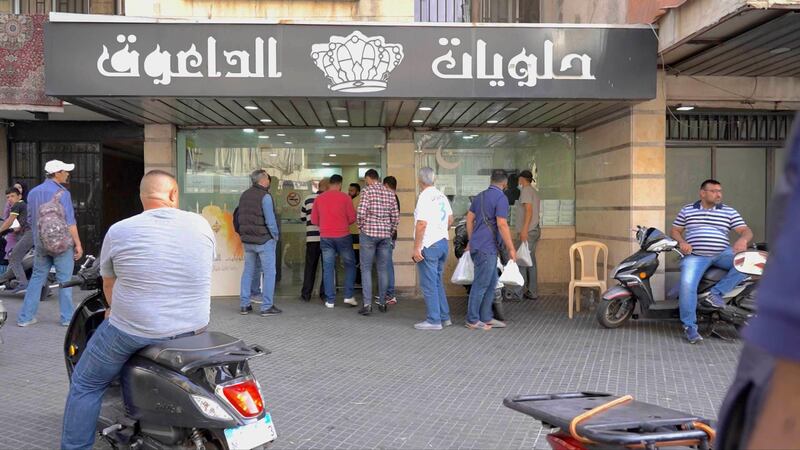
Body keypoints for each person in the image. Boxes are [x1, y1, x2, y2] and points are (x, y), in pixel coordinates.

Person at [60, 170, 215, 450]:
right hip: (194, 328)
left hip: (135, 330)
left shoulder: (120, 230)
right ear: (173, 194)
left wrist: (112, 309)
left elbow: (109, 283)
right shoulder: (201, 224)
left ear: (143, 197)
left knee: (86, 384)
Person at [670, 179, 752, 344]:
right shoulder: (687, 210)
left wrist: (743, 240)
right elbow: (676, 230)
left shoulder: (729, 211)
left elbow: (745, 230)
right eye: (714, 191)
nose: (718, 194)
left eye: (720, 191)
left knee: (747, 263)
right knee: (687, 285)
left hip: (722, 253)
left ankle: (715, 294)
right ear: (703, 193)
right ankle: (690, 327)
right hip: (696, 256)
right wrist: (682, 242)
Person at [16, 160, 83, 328]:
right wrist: (78, 244)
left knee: (37, 278)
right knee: (65, 281)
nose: (68, 174)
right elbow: (70, 222)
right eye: (65, 171)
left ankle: (25, 317)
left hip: (41, 244)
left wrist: (40, 239)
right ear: (57, 173)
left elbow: (30, 220)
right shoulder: (63, 193)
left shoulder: (33, 193)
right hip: (62, 245)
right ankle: (67, 318)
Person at [465, 170, 517, 330]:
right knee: (481, 285)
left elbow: (469, 219)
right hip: (486, 248)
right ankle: (472, 320)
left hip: (479, 246)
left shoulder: (480, 196)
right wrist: (511, 248)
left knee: (492, 282)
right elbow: (502, 224)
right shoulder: (501, 198)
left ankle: (486, 317)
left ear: (491, 180)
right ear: (505, 183)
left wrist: (471, 240)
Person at [412, 167, 453, 330]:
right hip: (443, 242)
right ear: (433, 179)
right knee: (437, 282)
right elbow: (450, 219)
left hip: (429, 244)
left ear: (419, 180)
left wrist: (416, 248)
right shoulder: (441, 195)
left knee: (429, 284)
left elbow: (421, 224)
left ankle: (434, 320)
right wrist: (440, 229)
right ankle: (445, 317)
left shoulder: (424, 197)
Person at [237, 169, 281, 316]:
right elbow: (270, 221)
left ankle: (245, 304)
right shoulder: (265, 196)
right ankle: (266, 306)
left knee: (248, 271)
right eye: (268, 179)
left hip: (248, 241)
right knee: (269, 273)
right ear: (263, 180)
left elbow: (238, 216)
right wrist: (275, 236)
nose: (269, 181)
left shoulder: (244, 195)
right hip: (264, 240)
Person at [356, 169, 399, 315]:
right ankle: (382, 303)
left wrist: (362, 226)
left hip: (368, 233)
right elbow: (395, 217)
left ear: (368, 178)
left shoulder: (367, 191)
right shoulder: (389, 193)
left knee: (366, 269)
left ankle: (367, 304)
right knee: (382, 269)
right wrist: (390, 231)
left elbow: (361, 212)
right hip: (385, 235)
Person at [311, 174, 357, 308]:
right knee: (350, 265)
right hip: (343, 236)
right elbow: (352, 218)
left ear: (329, 184)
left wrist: (325, 224)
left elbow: (314, 220)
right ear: (340, 184)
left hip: (326, 237)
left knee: (328, 268)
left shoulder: (319, 198)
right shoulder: (346, 197)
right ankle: (348, 296)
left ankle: (330, 300)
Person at [300, 178, 329, 302]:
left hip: (311, 238)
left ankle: (306, 294)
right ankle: (324, 293)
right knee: (327, 267)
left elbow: (302, 217)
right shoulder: (329, 199)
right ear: (328, 187)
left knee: (310, 266)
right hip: (327, 238)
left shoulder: (307, 199)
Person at [514, 169, 541, 300]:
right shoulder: (533, 191)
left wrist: (524, 230)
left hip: (529, 231)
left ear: (522, 179)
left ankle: (518, 292)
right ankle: (532, 291)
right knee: (530, 262)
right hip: (534, 229)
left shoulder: (525, 191)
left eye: (519, 179)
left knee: (522, 261)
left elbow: (528, 211)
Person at [1, 187, 32, 293]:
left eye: (12, 196)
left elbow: (9, 221)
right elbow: (16, 227)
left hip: (29, 234)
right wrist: (7, 230)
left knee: (14, 258)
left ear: (20, 196)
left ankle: (22, 282)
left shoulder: (18, 204)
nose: (9, 198)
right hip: (29, 235)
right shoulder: (23, 206)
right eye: (7, 197)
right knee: (15, 257)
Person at [383, 176, 400, 305]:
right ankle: (388, 293)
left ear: (386, 185)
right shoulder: (394, 197)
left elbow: (393, 219)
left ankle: (390, 294)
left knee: (387, 265)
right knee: (386, 264)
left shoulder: (391, 197)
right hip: (390, 235)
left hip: (388, 236)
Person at [349, 182, 362, 286]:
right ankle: (359, 279)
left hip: (354, 234)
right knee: (359, 258)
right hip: (359, 234)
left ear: (358, 192)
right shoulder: (359, 200)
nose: (350, 192)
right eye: (349, 190)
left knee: (355, 258)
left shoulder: (353, 201)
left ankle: (357, 279)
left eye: (352, 190)